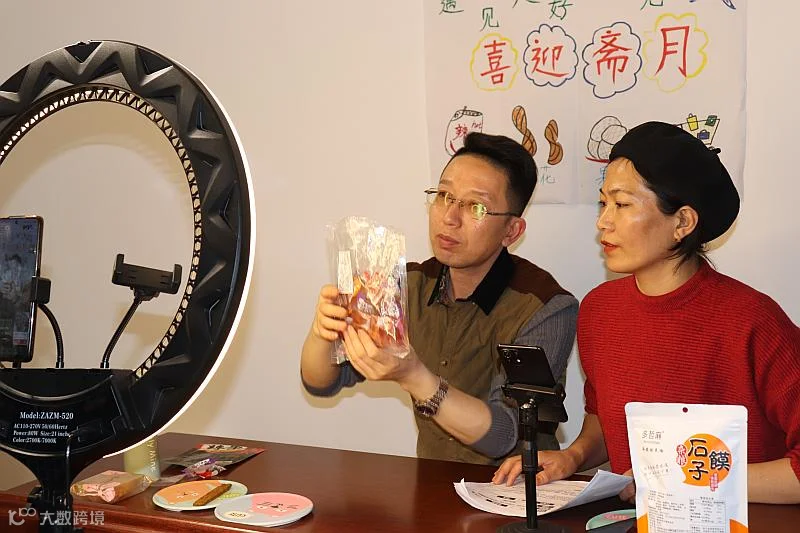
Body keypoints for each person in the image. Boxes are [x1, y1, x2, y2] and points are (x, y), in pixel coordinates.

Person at [493, 121, 800, 503]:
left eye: (622, 204)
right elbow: (607, 421)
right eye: (603, 203)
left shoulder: (752, 321)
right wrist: (573, 457)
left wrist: (678, 479)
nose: (603, 221)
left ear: (682, 222)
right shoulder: (599, 310)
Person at [301, 132, 578, 465]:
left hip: (518, 489)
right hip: (433, 486)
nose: (450, 217)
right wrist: (322, 333)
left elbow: (506, 433)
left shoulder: (545, 306)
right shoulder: (406, 285)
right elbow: (322, 383)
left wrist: (414, 376)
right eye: (444, 196)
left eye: (476, 207)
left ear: (512, 231)